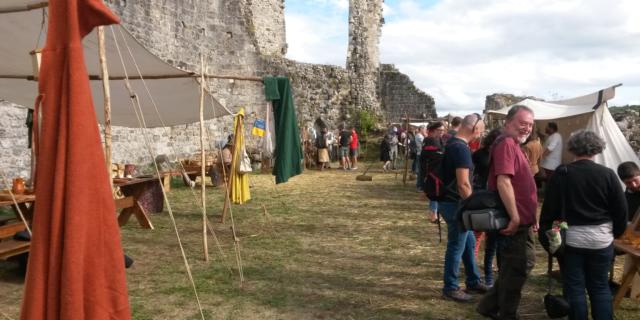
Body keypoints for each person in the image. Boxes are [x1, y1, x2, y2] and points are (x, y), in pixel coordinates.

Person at [540, 130, 627, 320]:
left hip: (572, 241)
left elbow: (548, 211)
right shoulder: (608, 174)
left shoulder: (561, 174)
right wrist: (615, 235)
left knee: (574, 288)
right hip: (602, 240)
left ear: (572, 149)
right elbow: (621, 211)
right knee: (600, 287)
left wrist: (548, 242)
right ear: (597, 149)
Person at [477, 105, 537, 319]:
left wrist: (531, 216)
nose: (527, 128)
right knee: (518, 266)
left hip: (522, 220)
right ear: (508, 122)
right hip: (514, 221)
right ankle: (507, 313)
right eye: (522, 123)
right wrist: (515, 216)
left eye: (530, 124)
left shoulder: (512, 144)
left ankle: (488, 306)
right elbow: (503, 181)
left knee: (518, 265)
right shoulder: (506, 144)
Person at [440, 113, 488, 302]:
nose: (481, 135)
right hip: (456, 204)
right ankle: (450, 287)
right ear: (475, 129)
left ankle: (474, 280)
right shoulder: (460, 148)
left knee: (468, 242)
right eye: (481, 131)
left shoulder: (453, 143)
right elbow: (463, 184)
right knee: (456, 246)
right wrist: (473, 208)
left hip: (451, 202)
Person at [471, 128, 502, 287]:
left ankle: (489, 272)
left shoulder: (503, 155)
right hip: (482, 198)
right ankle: (474, 267)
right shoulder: (479, 154)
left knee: (493, 239)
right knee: (477, 235)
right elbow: (473, 175)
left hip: (497, 200)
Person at [421, 122, 445, 223]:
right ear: (434, 130)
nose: (442, 132)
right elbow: (431, 157)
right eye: (440, 130)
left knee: (436, 194)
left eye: (443, 130)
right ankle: (433, 215)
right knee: (435, 193)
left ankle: (436, 214)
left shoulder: (438, 140)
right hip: (433, 172)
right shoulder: (430, 140)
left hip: (437, 172)